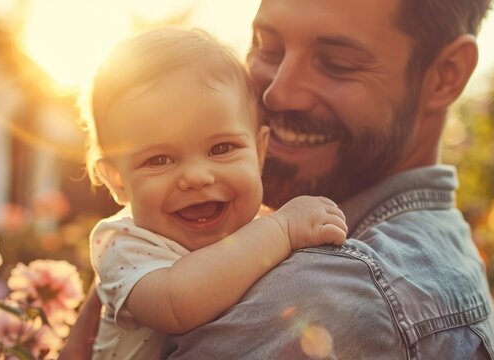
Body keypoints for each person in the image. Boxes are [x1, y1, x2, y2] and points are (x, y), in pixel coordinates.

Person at [163, 0, 494, 358]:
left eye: (336, 65)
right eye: (268, 47)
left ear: (446, 74)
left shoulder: (333, 293)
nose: (278, 93)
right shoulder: (441, 246)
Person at [63, 28, 348, 359]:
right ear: (117, 180)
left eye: (221, 147)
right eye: (160, 159)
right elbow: (177, 303)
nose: (197, 177)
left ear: (259, 152)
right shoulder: (124, 244)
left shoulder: (259, 224)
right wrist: (282, 230)